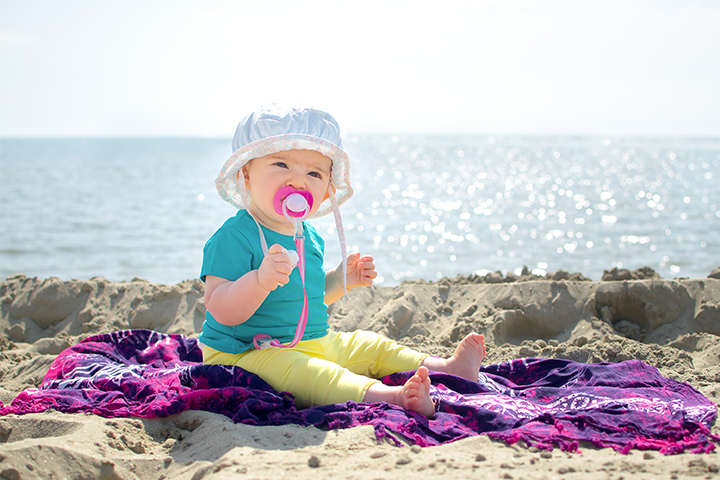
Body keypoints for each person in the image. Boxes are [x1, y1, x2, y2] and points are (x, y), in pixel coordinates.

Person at [199, 105, 485, 417]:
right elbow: (220, 308)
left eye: (314, 173)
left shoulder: (308, 236)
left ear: (325, 192)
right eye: (281, 164)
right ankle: (393, 397)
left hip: (313, 340)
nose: (298, 180)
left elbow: (310, 297)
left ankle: (447, 368)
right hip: (247, 352)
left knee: (371, 344)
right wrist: (259, 281)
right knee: (316, 375)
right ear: (246, 175)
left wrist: (340, 280)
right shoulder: (235, 236)